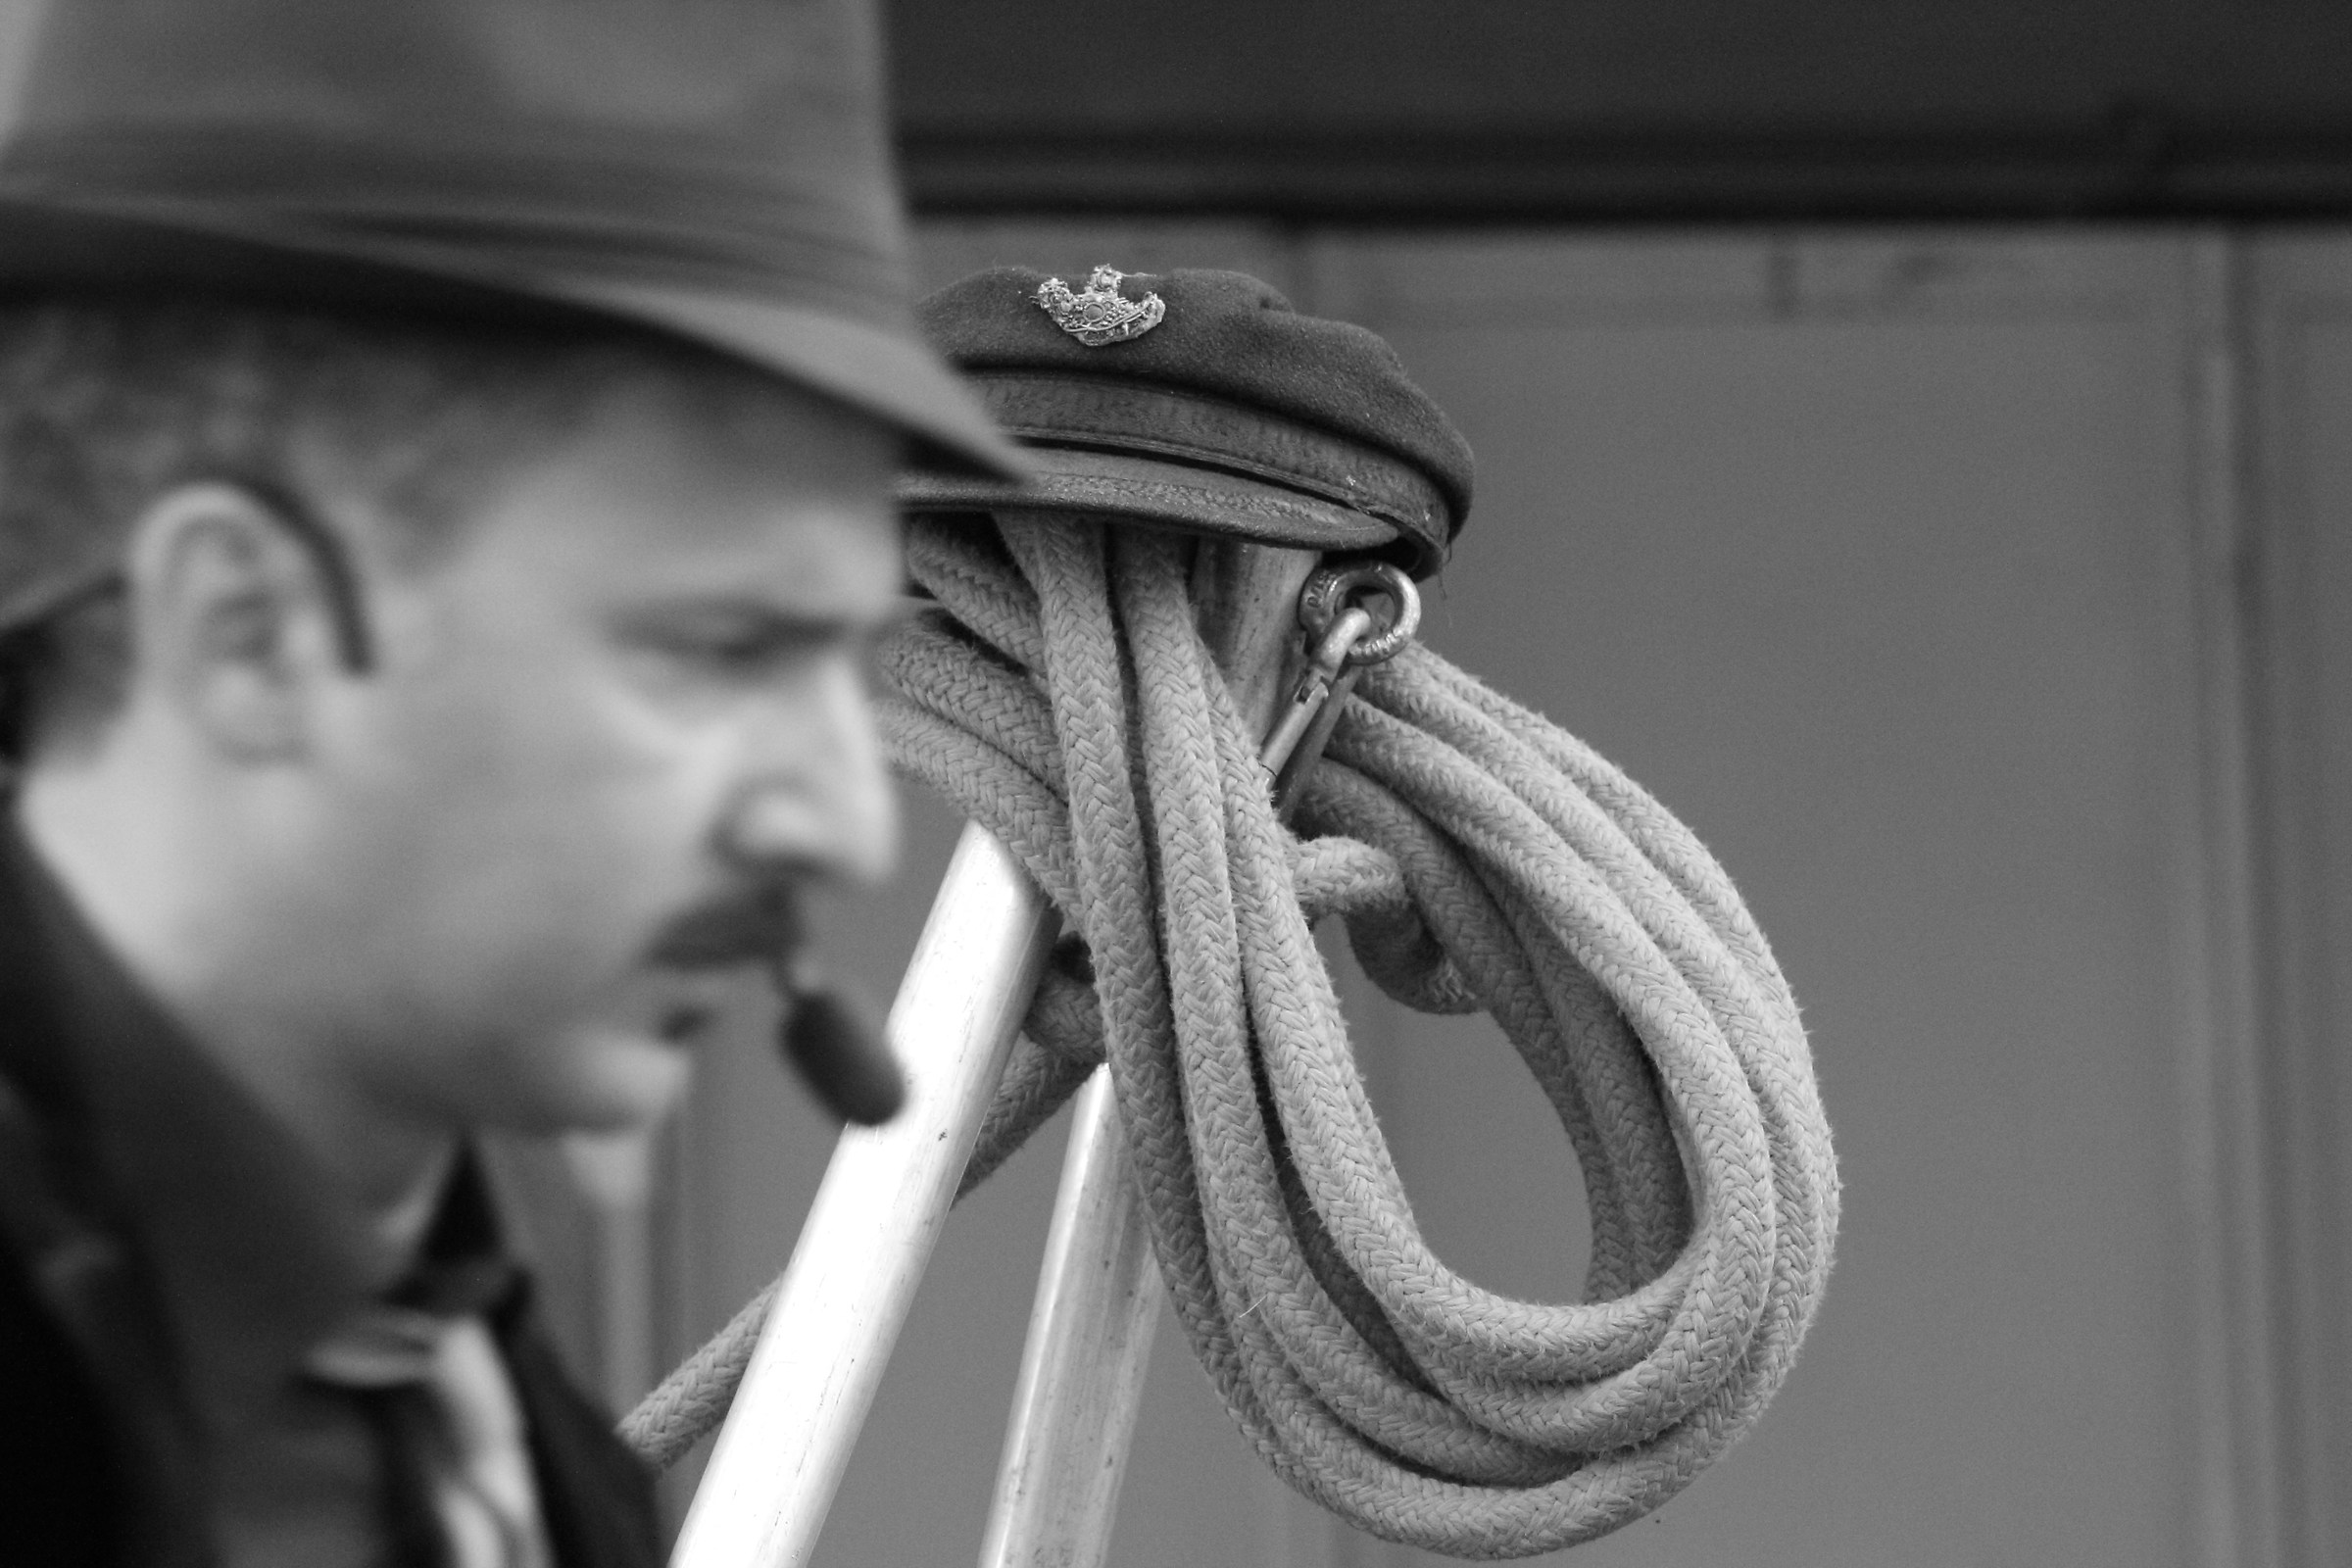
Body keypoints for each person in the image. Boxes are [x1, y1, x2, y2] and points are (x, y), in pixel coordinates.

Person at [0, 2, 1020, 1564]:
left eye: (846, 660)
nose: (845, 819)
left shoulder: (502, 1445)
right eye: (721, 649)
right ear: (247, 632)